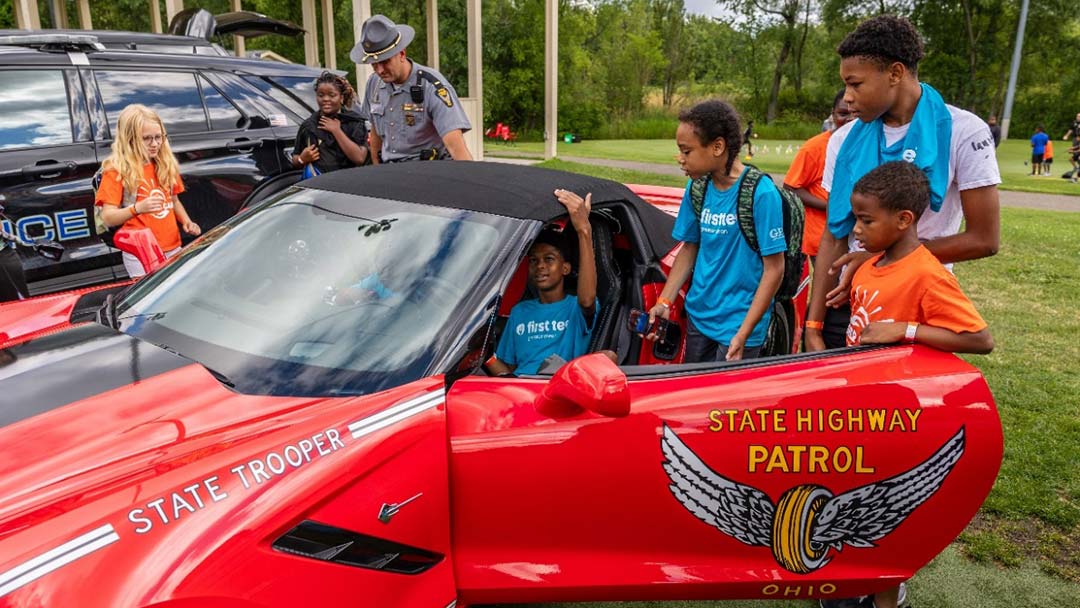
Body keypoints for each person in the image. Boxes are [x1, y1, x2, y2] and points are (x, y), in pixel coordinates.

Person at [805, 15, 1000, 354]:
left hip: (914, 301)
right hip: (848, 295)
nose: (847, 98)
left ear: (895, 73)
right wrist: (813, 324)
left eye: (856, 84)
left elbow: (984, 239)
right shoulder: (844, 140)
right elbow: (834, 236)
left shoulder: (964, 131)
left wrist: (876, 260)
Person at [648, 100, 785, 362]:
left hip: (739, 326)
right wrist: (665, 302)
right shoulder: (697, 188)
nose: (680, 158)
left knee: (727, 402)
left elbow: (774, 269)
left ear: (717, 146)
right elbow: (689, 249)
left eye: (686, 151)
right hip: (700, 318)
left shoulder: (762, 194)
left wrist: (743, 334)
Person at [847, 161, 992, 354]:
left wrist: (905, 330)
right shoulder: (868, 266)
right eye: (856, 219)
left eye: (866, 221)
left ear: (903, 219)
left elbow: (980, 340)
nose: (856, 229)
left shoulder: (927, 275)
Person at [486, 189, 597, 376]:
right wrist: (486, 357)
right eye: (534, 261)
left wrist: (583, 230)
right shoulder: (519, 312)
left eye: (549, 259)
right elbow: (508, 374)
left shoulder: (575, 308)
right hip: (520, 391)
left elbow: (587, 300)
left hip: (557, 390)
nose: (540, 266)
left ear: (565, 268)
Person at [95, 104, 200, 278]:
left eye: (159, 137)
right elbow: (108, 217)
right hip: (140, 252)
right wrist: (137, 208)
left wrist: (186, 221)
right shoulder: (117, 170)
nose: (155, 144)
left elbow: (173, 201)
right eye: (147, 139)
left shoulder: (164, 164)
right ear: (129, 139)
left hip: (173, 247)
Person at [352, 14, 472, 163]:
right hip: (390, 172)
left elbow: (455, 146)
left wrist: (472, 182)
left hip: (427, 173)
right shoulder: (374, 84)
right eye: (374, 64)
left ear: (401, 54)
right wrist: (377, 169)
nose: (380, 70)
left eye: (385, 61)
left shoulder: (432, 86)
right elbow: (376, 133)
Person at [784, 89, 853, 267]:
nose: (849, 119)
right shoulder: (814, 148)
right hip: (822, 238)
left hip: (856, 237)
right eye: (842, 113)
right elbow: (790, 187)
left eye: (854, 114)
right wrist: (830, 205)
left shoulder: (868, 144)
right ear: (832, 114)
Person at [291, 72, 369, 174]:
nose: (326, 99)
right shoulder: (309, 125)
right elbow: (295, 159)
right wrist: (302, 159)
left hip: (348, 182)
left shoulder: (354, 122)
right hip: (319, 184)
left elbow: (359, 158)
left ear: (341, 98)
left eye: (332, 95)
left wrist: (336, 131)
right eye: (321, 95)